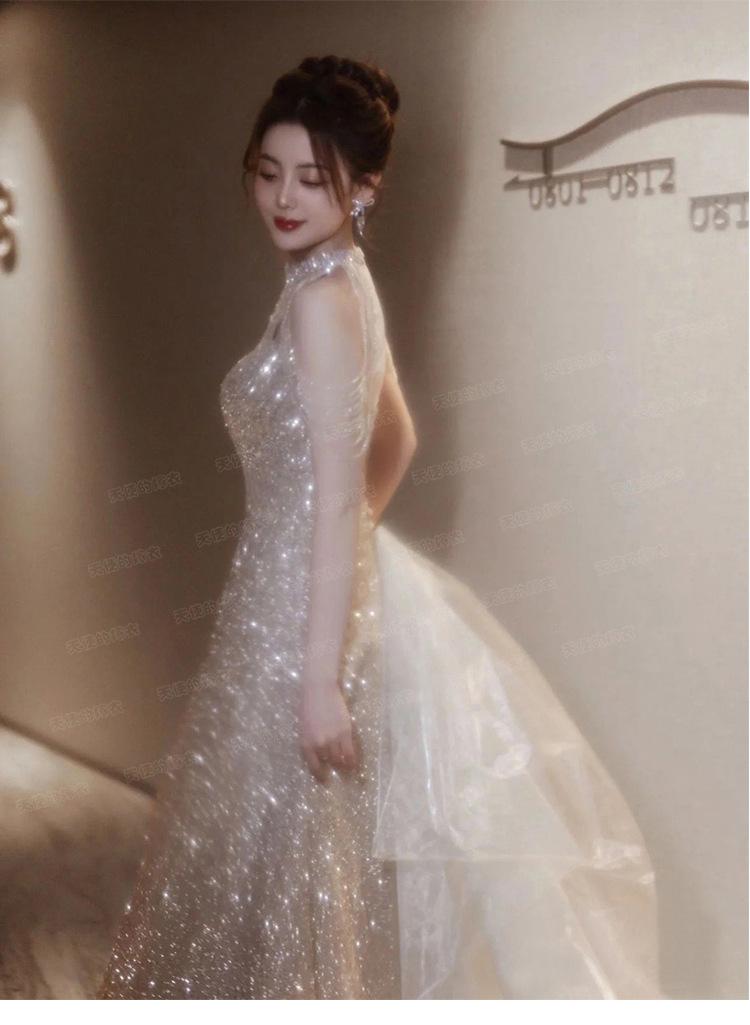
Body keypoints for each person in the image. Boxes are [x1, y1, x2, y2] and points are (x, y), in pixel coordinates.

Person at [96, 55, 663, 1000]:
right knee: (290, 878)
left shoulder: (323, 301)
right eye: (268, 172)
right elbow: (397, 440)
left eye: (312, 179)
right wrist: (348, 545)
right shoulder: (340, 280)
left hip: (296, 628)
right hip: (301, 601)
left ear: (363, 188)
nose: (283, 198)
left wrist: (319, 674)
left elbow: (334, 488)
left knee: (284, 880)